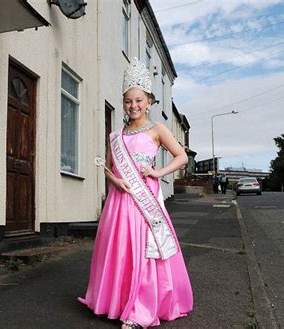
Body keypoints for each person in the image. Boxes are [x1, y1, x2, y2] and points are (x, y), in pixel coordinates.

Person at [78, 58, 193, 328]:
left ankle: (140, 310)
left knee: (144, 251)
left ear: (149, 102)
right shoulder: (115, 136)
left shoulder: (158, 129)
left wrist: (158, 173)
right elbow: (109, 167)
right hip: (119, 201)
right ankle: (117, 302)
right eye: (129, 101)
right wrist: (115, 181)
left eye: (139, 100)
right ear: (123, 102)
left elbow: (181, 157)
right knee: (119, 251)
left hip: (145, 200)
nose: (134, 106)